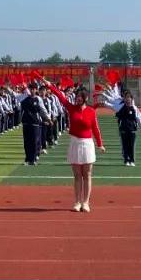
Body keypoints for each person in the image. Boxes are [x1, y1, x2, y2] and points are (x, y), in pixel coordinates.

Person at [46, 81, 104, 213]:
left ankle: (86, 202)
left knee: (87, 175)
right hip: (75, 143)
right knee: (77, 175)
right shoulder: (71, 108)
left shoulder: (91, 111)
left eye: (80, 97)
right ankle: (77, 202)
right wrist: (50, 85)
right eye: (77, 97)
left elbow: (95, 129)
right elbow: (61, 97)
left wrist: (100, 144)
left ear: (85, 98)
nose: (78, 99)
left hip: (87, 144)